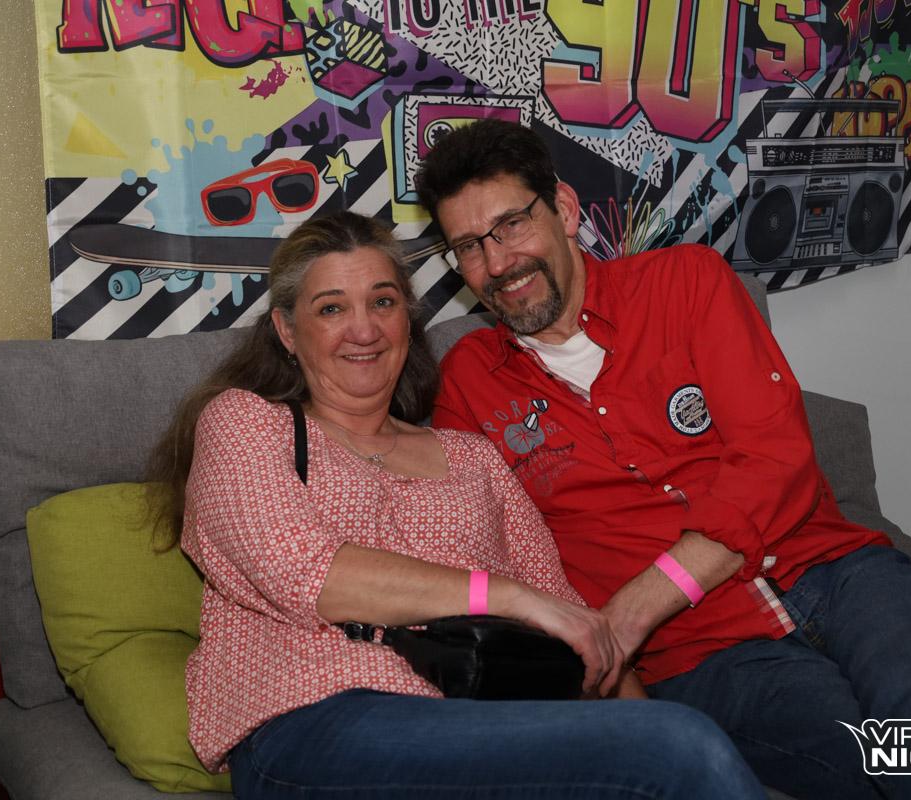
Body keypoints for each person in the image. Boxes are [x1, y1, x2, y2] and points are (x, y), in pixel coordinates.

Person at [417, 119, 911, 800]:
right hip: (702, 652)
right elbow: (465, 538)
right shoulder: (469, 382)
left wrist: (637, 605)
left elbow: (774, 457)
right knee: (880, 760)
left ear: (562, 209)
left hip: (833, 569)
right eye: (468, 246)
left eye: (511, 226)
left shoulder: (685, 282)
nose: (498, 263)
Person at [146, 211, 765, 799]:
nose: (364, 330)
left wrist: (641, 716)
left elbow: (571, 620)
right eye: (331, 308)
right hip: (319, 721)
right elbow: (308, 573)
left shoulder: (472, 456)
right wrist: (506, 596)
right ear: (287, 330)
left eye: (383, 302)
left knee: (678, 740)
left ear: (407, 319)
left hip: (478, 720)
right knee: (678, 747)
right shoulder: (247, 425)